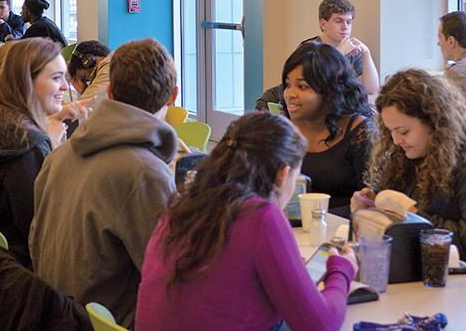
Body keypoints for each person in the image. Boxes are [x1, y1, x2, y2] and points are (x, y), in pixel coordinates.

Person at [136, 112, 356, 331]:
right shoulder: (261, 216)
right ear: (283, 174)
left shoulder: (182, 206)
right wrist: (341, 270)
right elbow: (321, 324)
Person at [30, 38, 178, 328]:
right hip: (110, 322)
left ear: (109, 91)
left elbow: (35, 242)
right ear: (172, 96)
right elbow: (171, 276)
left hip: (55, 314)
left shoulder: (58, 156)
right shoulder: (145, 174)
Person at [354, 68, 466, 277]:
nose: (397, 141)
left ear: (433, 121)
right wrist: (373, 205)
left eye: (403, 132)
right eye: (391, 132)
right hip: (429, 272)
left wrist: (415, 218)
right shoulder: (414, 153)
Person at [0, 38, 90, 267]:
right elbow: (45, 231)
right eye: (56, 78)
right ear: (27, 82)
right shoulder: (25, 146)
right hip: (23, 280)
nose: (65, 86)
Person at [282, 42, 376, 215]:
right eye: (288, 85)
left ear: (329, 91)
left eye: (302, 87)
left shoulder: (360, 132)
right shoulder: (283, 129)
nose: (290, 94)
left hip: (342, 229)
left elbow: (370, 200)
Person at [256, 0, 380, 111]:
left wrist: (366, 53)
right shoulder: (309, 47)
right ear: (323, 24)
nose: (345, 27)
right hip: (290, 102)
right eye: (339, 21)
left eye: (349, 22)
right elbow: (312, 82)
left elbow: (372, 89)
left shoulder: (352, 50)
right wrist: (339, 53)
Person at [67, 40, 111, 105]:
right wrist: (84, 90)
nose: (93, 82)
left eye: (84, 77)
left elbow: (83, 109)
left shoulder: (108, 68)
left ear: (89, 60)